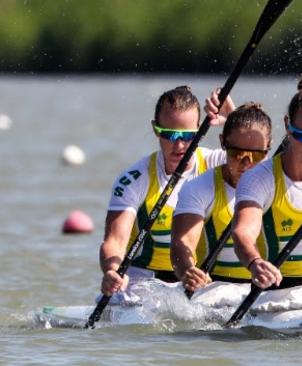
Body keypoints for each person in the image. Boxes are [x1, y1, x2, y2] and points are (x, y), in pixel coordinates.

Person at [99, 85, 234, 299]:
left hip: (199, 282)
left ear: (200, 129)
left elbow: (262, 170)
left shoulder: (217, 163)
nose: (179, 145)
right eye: (169, 135)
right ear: (155, 129)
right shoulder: (136, 178)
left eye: (188, 136)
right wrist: (112, 271)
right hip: (144, 284)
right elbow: (115, 241)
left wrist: (233, 122)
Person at [232, 73, 302, 290]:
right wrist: (255, 263)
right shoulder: (259, 178)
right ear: (287, 125)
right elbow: (243, 232)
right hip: (276, 293)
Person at [170, 102, 272, 293]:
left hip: (266, 290)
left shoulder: (283, 181)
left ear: (268, 148)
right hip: (214, 291)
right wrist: (187, 271)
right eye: (237, 153)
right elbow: (180, 246)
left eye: (256, 156)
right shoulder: (199, 188)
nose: (246, 163)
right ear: (222, 143)